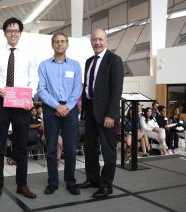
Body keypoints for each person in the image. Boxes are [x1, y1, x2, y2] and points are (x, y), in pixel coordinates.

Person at [0, 17, 38, 202]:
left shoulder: (29, 54)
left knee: (21, 146)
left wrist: (30, 95)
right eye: (9, 31)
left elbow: (34, 78)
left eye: (16, 30)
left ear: (20, 32)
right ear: (5, 33)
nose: (13, 33)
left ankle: (22, 184)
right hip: (1, 102)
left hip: (21, 103)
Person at [78, 28, 124, 199]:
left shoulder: (115, 60)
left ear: (106, 41)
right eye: (94, 39)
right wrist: (83, 111)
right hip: (90, 110)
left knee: (108, 150)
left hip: (106, 114)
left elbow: (116, 90)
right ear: (91, 41)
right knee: (90, 148)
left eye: (100, 39)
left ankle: (106, 185)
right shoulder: (89, 61)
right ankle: (92, 179)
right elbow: (87, 87)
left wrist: (111, 114)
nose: (97, 42)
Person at [37, 32, 82, 195]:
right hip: (51, 110)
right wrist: (57, 106)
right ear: (52, 45)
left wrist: (67, 107)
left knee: (70, 148)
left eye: (63, 41)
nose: (60, 44)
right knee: (50, 148)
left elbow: (78, 89)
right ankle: (53, 182)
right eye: (56, 42)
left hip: (70, 111)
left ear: (67, 44)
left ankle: (71, 182)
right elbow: (41, 89)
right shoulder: (44, 65)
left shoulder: (75, 65)